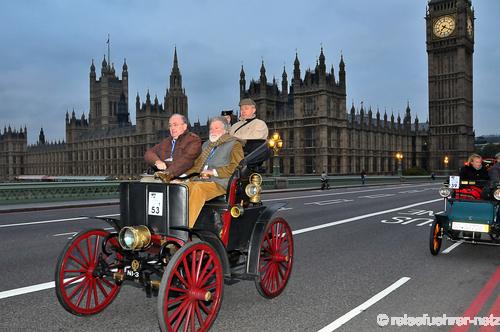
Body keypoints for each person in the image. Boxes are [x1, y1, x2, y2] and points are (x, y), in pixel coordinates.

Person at [183, 116, 244, 228]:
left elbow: (236, 167)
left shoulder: (235, 144)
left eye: (216, 128)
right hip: (201, 180)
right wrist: (183, 177)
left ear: (225, 130)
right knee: (181, 187)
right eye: (211, 128)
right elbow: (196, 165)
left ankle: (184, 230)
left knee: (197, 189)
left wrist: (213, 172)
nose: (213, 131)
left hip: (220, 183)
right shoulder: (206, 145)